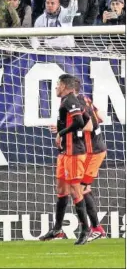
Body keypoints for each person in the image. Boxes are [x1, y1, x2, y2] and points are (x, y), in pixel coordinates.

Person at [39, 74, 90, 245]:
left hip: (74, 153)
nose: (55, 88)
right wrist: (61, 129)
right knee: (61, 190)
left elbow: (80, 121)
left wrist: (61, 133)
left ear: (64, 86)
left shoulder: (70, 100)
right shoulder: (69, 101)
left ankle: (85, 230)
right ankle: (57, 228)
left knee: (76, 190)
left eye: (57, 84)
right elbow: (87, 119)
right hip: (64, 153)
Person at [72, 78, 107, 241]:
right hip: (92, 150)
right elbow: (100, 118)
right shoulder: (85, 99)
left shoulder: (77, 103)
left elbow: (91, 125)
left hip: (94, 152)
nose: (57, 87)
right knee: (81, 188)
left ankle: (96, 228)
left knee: (80, 188)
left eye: (59, 84)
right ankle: (96, 228)